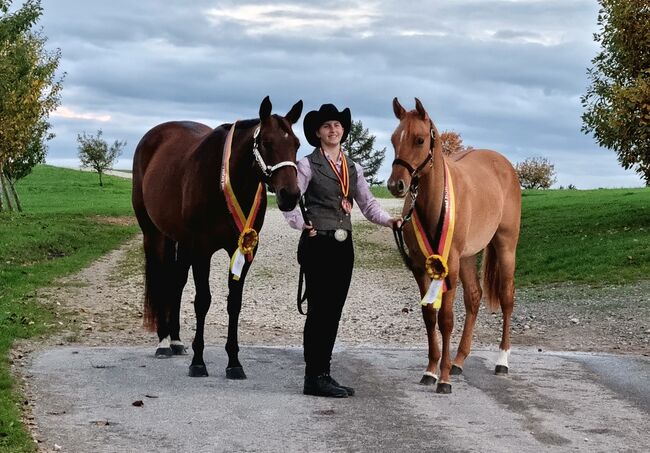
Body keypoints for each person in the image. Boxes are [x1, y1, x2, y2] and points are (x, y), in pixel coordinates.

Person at [283, 103, 402, 398]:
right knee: (318, 311)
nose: (333, 130)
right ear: (318, 133)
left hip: (343, 244)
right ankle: (313, 376)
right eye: (326, 126)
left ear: (343, 131)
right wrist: (302, 224)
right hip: (318, 243)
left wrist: (389, 221)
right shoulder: (307, 165)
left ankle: (324, 372)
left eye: (337, 125)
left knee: (333, 311)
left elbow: (368, 204)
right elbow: (290, 202)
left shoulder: (353, 168)